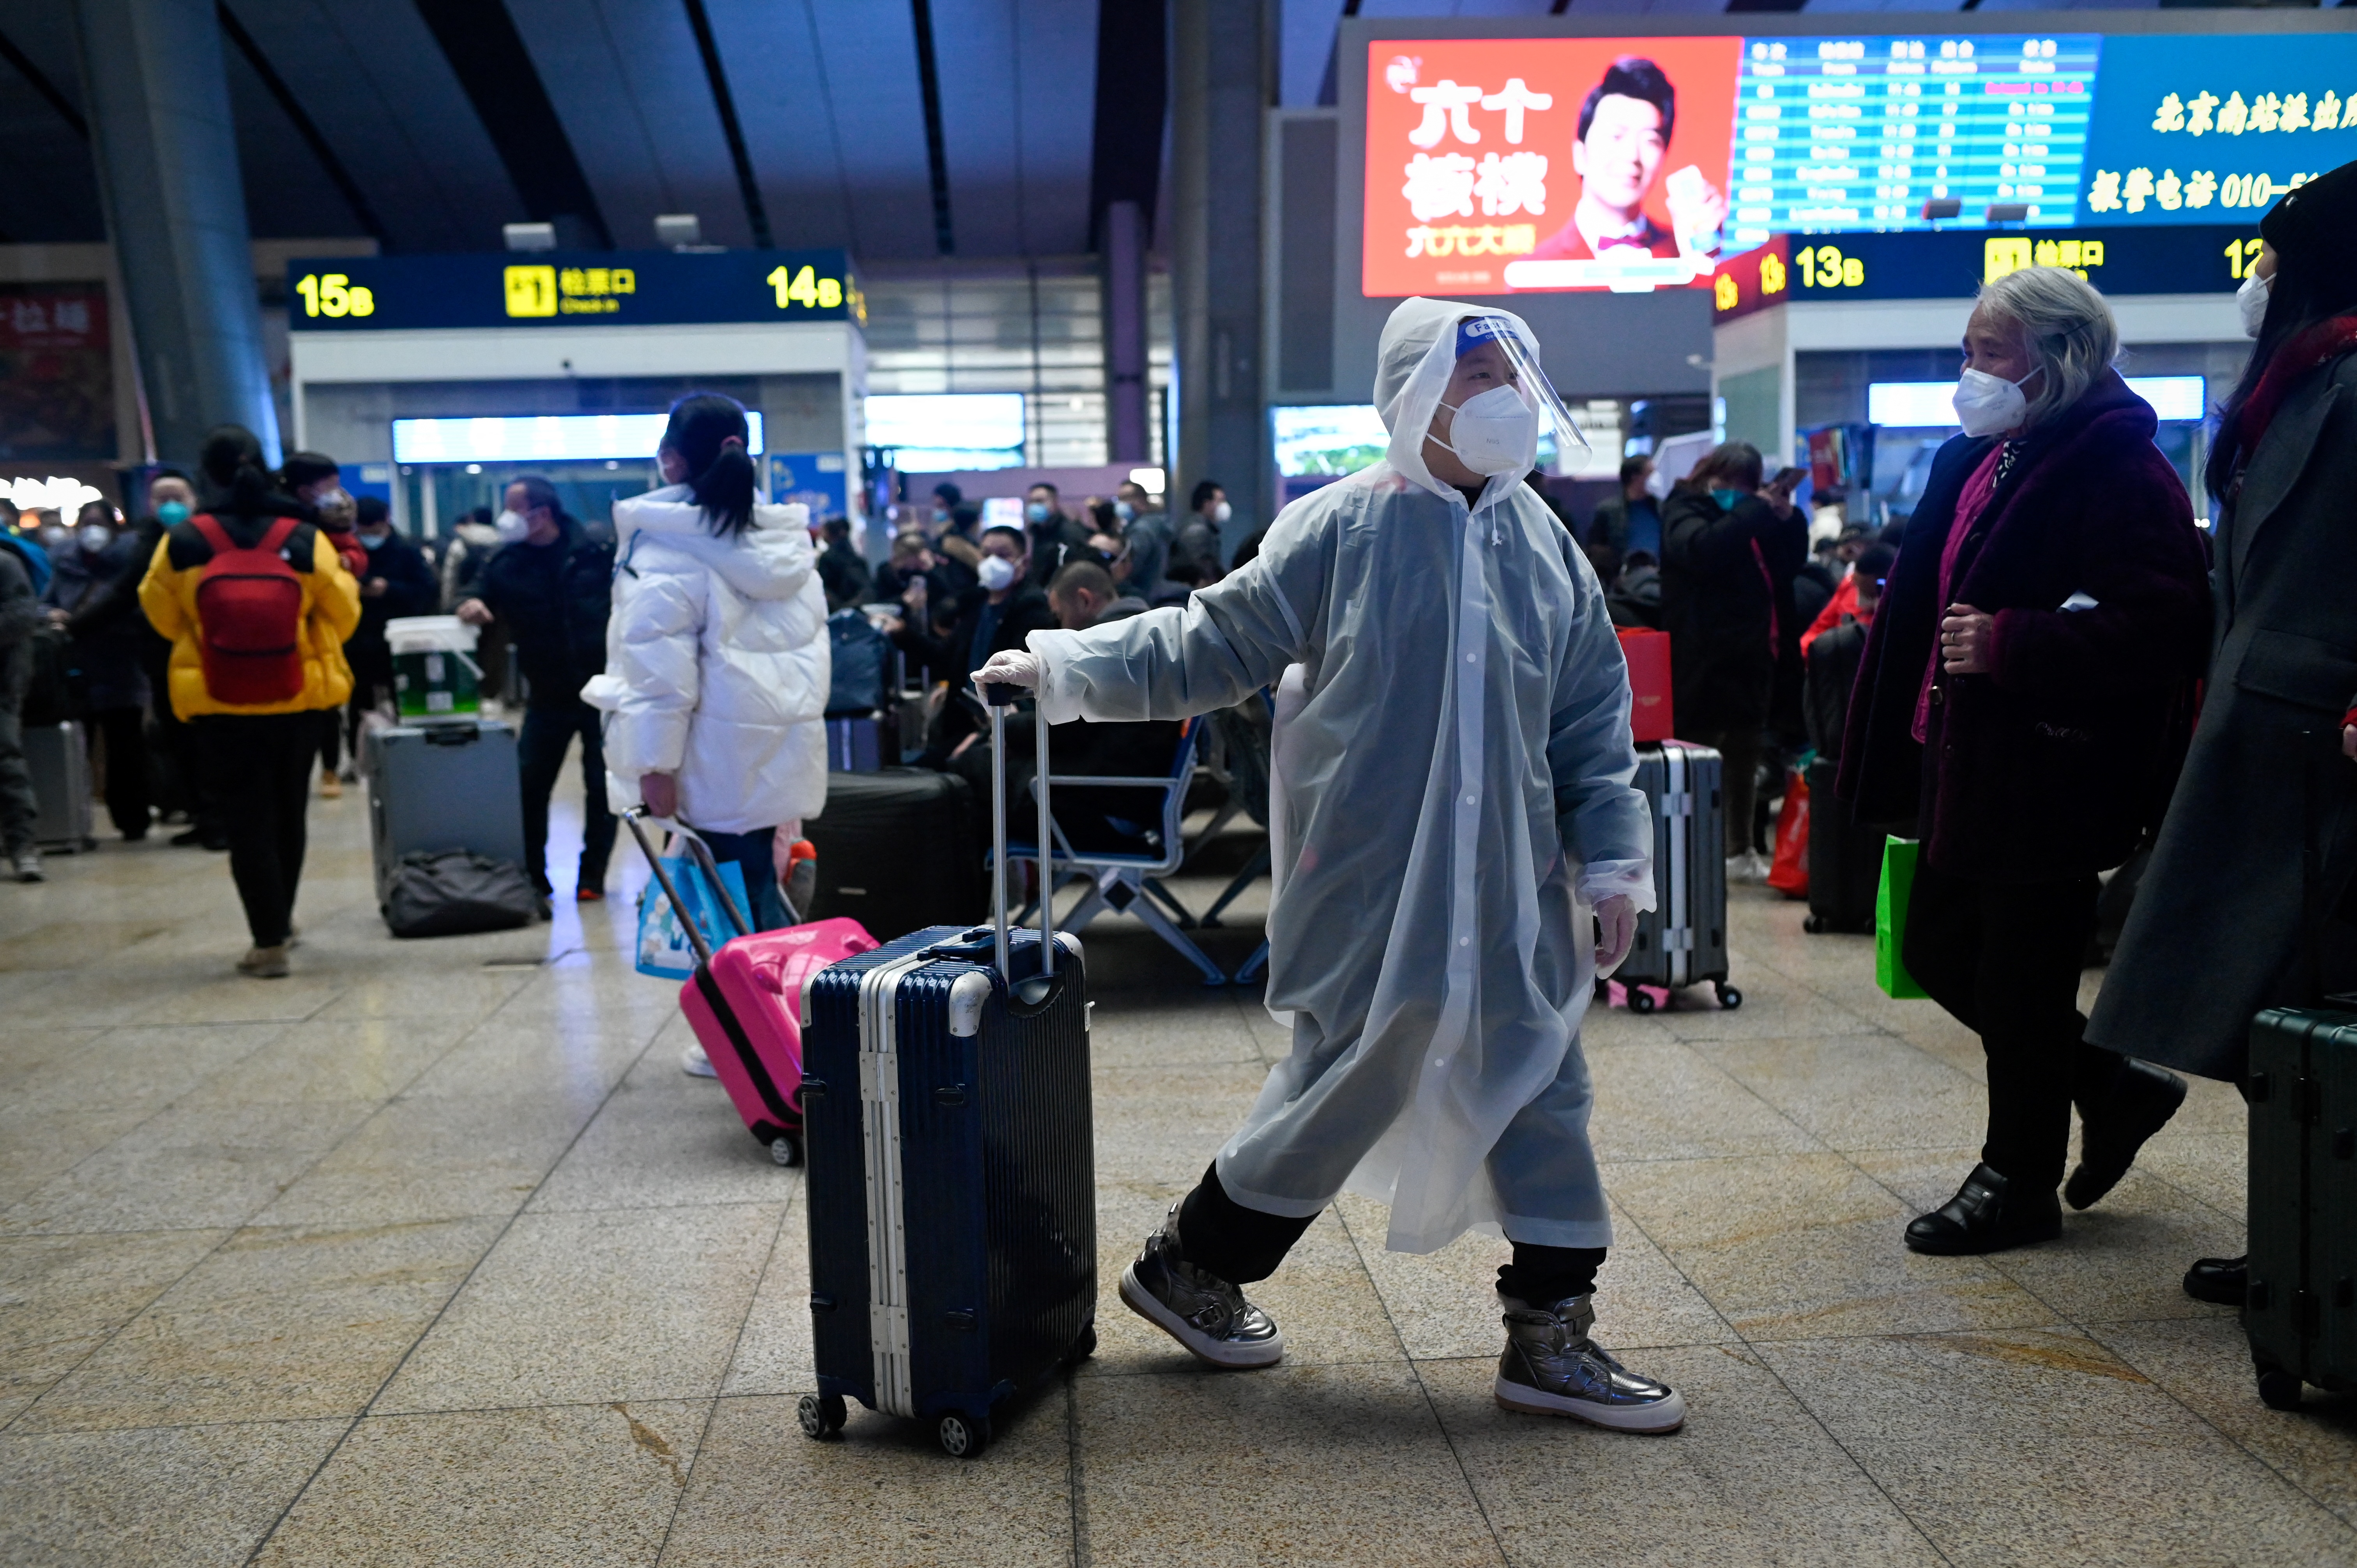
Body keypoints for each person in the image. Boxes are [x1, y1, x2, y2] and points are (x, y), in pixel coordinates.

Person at [976, 297, 1681, 1434]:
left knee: (1547, 1086)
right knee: (1343, 1084)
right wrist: (1064, 669)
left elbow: (1594, 728)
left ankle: (1551, 1334)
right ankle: (1192, 1263)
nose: (1506, 400)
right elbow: (1209, 642)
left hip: (1509, 900)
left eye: (1515, 376)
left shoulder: (1548, 548)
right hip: (1369, 888)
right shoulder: (1342, 529)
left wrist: (1613, 868)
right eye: (1476, 379)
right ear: (1412, 395)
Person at [1835, 267, 2211, 1256]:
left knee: (2023, 974)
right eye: (1969, 350)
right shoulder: (1986, 455)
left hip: (2049, 766)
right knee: (1940, 947)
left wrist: (2016, 644)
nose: (1970, 371)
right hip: (1967, 756)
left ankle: (2018, 1176)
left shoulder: (2118, 468)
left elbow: (2164, 627)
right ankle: (2113, 1085)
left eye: (1988, 352)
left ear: (2057, 361)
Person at [2087, 160, 2357, 1307]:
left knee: (2311, 994)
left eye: (2271, 262)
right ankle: (2299, 1236)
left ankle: (2321, 1249)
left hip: (2329, 740)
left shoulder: (2340, 381)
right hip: (2266, 738)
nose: (2257, 282)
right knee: (2273, 1008)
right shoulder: (2305, 379)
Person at [585, 393, 829, 1074]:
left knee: (724, 908)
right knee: (758, 886)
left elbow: (660, 675)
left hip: (706, 755)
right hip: (775, 749)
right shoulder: (784, 540)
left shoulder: (667, 545)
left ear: (670, 459)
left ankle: (763, 1039)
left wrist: (653, 764)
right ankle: (784, 1029)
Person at [140, 426, 360, 976]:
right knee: (289, 812)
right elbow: (344, 612)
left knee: (246, 819)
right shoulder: (303, 537)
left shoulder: (187, 538)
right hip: (299, 695)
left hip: (219, 697)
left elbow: (160, 613)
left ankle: (266, 943)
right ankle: (281, 921)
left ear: (207, 475)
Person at [456, 476, 617, 905]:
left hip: (603, 693)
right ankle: (534, 876)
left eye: (513, 506)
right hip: (546, 695)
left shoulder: (595, 552)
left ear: (541, 513)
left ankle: (593, 876)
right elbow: (474, 590)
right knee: (530, 784)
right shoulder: (506, 560)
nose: (506, 516)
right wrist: (470, 604)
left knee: (603, 789)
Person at [1658, 441, 1806, 881]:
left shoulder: (1752, 517)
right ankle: (1690, 850)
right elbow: (1701, 550)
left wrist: (1788, 519)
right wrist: (1753, 512)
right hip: (1700, 657)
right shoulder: (1685, 507)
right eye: (1731, 485)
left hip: (1751, 656)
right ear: (1711, 475)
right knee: (1695, 756)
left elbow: (1787, 566)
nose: (1738, 495)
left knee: (1745, 753)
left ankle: (1738, 848)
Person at [1526, 57, 1723, 265]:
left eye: (1650, 140)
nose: (1632, 155)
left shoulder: (1686, 254)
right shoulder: (1532, 271)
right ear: (1580, 154)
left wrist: (1702, 261)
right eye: (1616, 136)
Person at [44, 501, 152, 839]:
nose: (93, 530)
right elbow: (46, 600)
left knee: (127, 748)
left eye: (99, 522)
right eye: (87, 522)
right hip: (78, 667)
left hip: (122, 665)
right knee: (79, 749)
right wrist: (50, 615)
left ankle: (133, 819)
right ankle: (77, 823)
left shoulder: (132, 564)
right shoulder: (66, 564)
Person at [277, 454, 364, 797]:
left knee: (326, 709)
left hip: (321, 633)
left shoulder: (332, 520)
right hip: (293, 628)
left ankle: (329, 768)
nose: (338, 494)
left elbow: (354, 553)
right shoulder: (286, 526)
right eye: (330, 486)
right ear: (303, 490)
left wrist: (350, 563)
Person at [343, 497, 440, 743]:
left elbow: (427, 590)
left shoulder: (407, 550)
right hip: (359, 638)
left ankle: (408, 748)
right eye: (363, 532)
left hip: (400, 639)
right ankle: (358, 754)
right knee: (359, 700)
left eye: (374, 531)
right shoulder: (351, 551)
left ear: (387, 521)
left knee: (405, 699)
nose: (369, 537)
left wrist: (389, 589)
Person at [0, 521, 41, 881]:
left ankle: (22, 846)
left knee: (6, 762)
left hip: (3, 682)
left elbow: (21, 617)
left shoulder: (6, 564)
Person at [1585, 456, 1660, 564]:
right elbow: (1595, 547)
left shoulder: (1662, 509)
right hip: (1624, 576)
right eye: (1651, 473)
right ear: (1635, 477)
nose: (1656, 478)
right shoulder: (1608, 511)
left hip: (1660, 575)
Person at [1023, 483, 1090, 587]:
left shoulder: (1071, 532)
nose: (1034, 506)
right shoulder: (1037, 532)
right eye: (1031, 502)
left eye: (1040, 501)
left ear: (1055, 502)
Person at [1170, 480, 1230, 588]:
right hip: (1191, 589)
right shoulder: (1196, 530)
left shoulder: (1202, 528)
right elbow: (1203, 565)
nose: (1224, 505)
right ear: (1207, 504)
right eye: (1220, 501)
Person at [815, 515, 871, 609]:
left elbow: (824, 588)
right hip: (858, 607)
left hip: (838, 609)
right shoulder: (857, 557)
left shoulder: (827, 557)